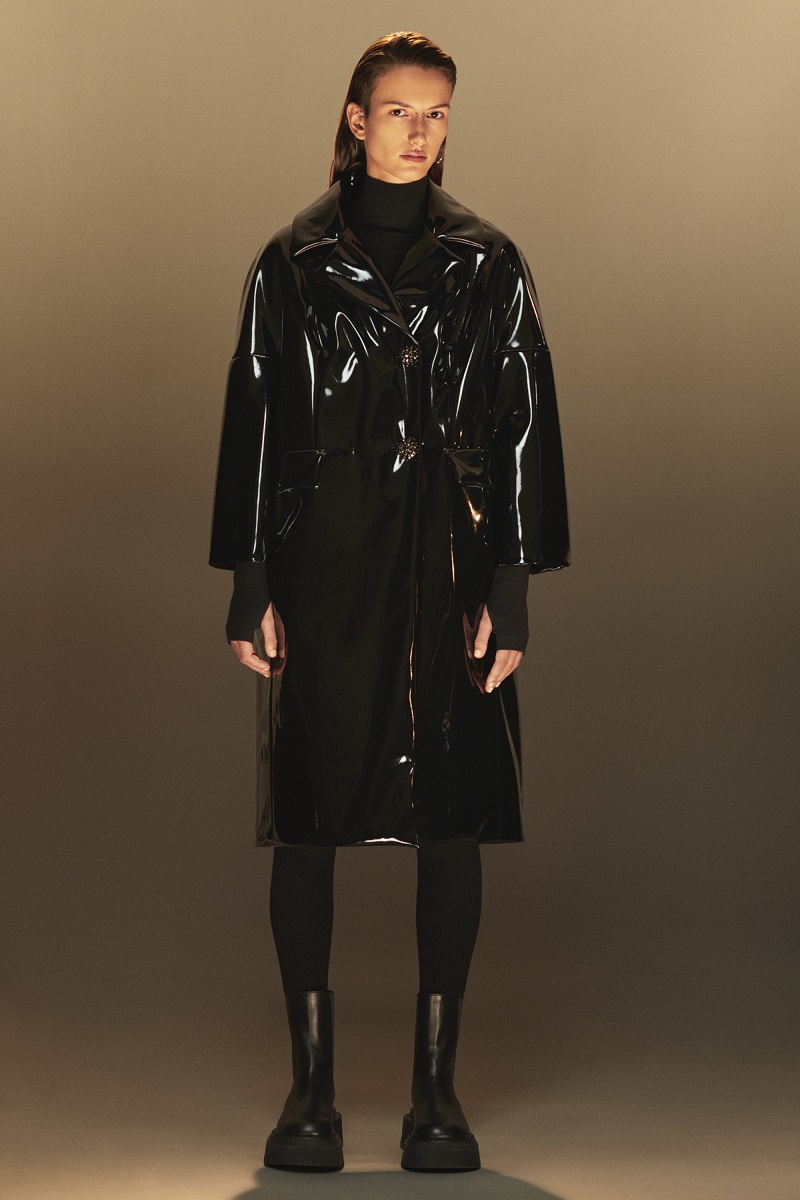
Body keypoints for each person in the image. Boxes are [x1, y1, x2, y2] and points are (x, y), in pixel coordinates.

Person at [208, 31, 570, 1173]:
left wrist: (512, 584)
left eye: (438, 113)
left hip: (447, 562)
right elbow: (254, 416)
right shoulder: (291, 260)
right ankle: (310, 1089)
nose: (420, 132)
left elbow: (524, 420)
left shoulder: (489, 261)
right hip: (321, 567)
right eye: (400, 111)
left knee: (450, 816)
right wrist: (249, 580)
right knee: (307, 814)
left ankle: (434, 1092)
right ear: (356, 120)